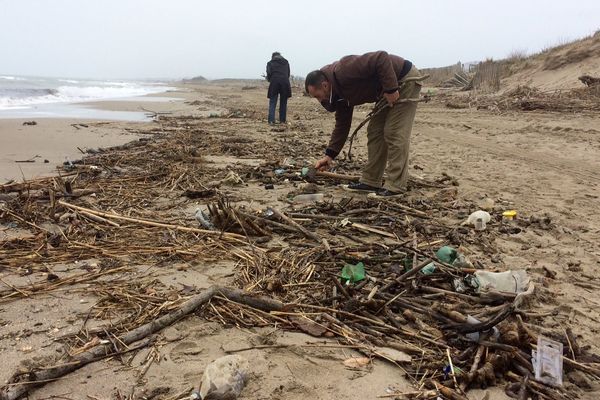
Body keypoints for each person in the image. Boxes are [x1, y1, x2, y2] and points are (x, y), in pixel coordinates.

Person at [305, 51, 423, 197]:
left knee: (394, 131)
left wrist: (391, 89)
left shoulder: (343, 70)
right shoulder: (338, 95)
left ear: (324, 85)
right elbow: (342, 125)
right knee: (375, 131)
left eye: (317, 96)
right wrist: (329, 155)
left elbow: (381, 57)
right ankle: (371, 181)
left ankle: (396, 185)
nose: (319, 100)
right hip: (386, 89)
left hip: (404, 79)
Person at [266, 52, 292, 124]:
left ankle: (271, 121)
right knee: (283, 102)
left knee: (273, 102)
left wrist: (269, 79)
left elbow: (269, 74)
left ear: (273, 57)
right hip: (285, 82)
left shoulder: (270, 63)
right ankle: (282, 121)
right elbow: (288, 73)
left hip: (274, 82)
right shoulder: (286, 62)